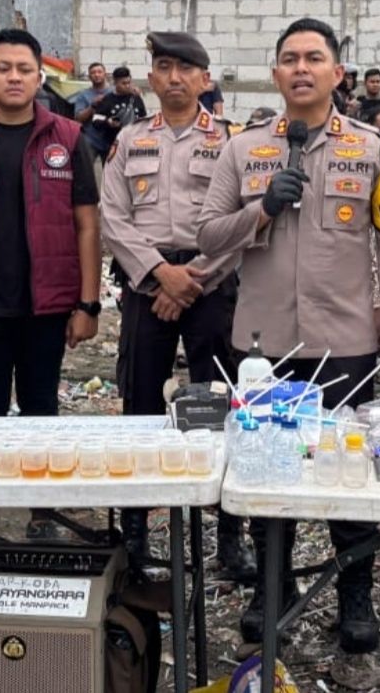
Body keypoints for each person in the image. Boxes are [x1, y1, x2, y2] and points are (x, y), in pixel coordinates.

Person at [196, 18, 380, 653]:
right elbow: (209, 235)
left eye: (314, 58)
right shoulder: (244, 150)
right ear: (275, 73)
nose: (301, 68)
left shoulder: (375, 149)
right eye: (290, 58)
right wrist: (261, 208)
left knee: (349, 479)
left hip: (345, 344)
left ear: (336, 73)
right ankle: (274, 588)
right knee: (268, 475)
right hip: (263, 351)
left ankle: (355, 594)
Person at [0, 29, 102, 538]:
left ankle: (40, 511)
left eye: (23, 69)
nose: (13, 77)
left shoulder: (67, 138)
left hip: (45, 305)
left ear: (39, 77)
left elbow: (87, 224)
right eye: (2, 68)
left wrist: (88, 304)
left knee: (40, 408)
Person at [100, 31, 254, 580]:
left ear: (204, 79)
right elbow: (113, 219)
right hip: (148, 286)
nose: (174, 77)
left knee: (219, 407)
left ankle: (231, 535)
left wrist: (193, 280)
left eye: (185, 69)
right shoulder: (129, 140)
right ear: (151, 78)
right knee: (140, 407)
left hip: (211, 287)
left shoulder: (233, 143)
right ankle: (135, 534)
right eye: (163, 67)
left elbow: (245, 221)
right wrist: (162, 276)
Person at [80, 66, 147, 182]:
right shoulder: (108, 100)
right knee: (113, 179)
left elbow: (143, 118)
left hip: (134, 145)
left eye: (128, 82)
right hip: (112, 147)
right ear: (115, 83)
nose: (127, 86)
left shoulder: (136, 98)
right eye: (123, 83)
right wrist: (108, 122)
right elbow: (96, 120)